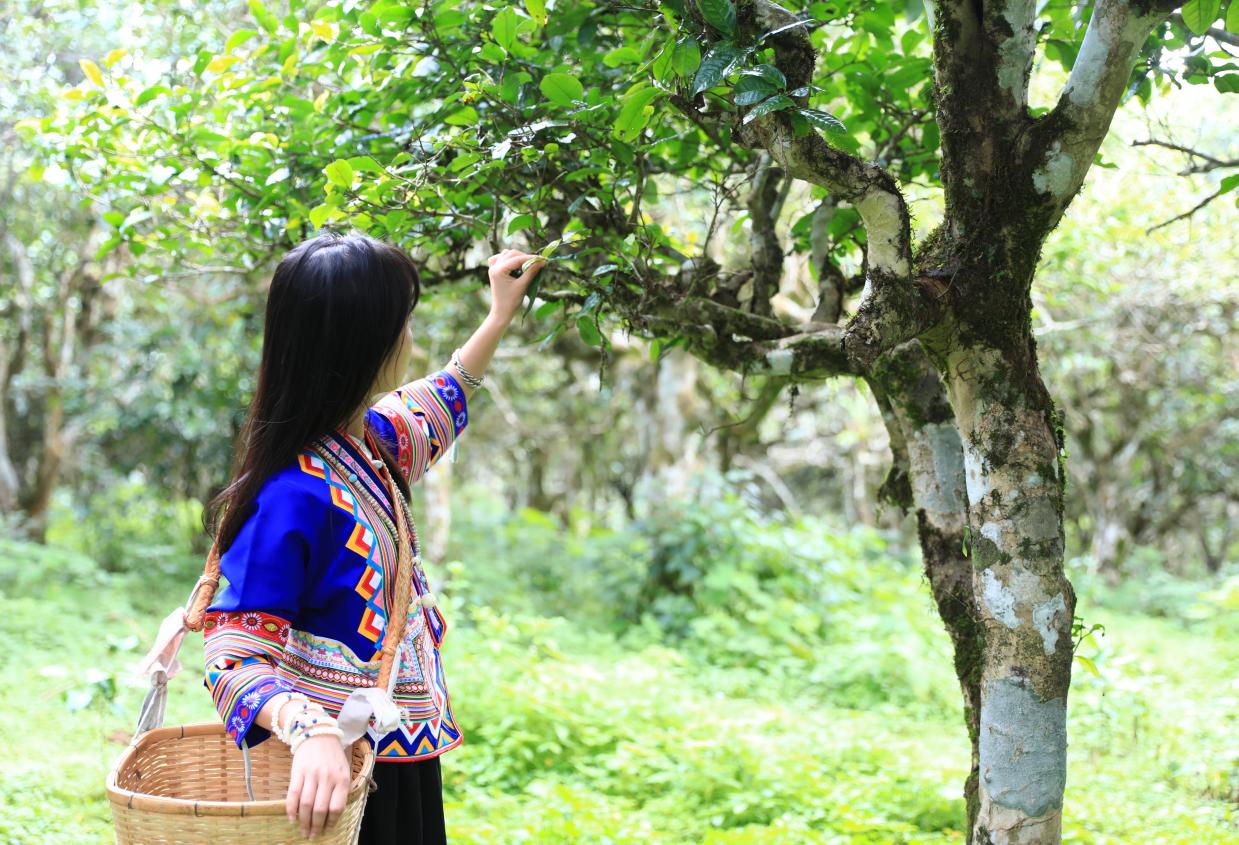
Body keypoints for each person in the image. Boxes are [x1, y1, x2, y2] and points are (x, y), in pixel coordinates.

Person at [199, 231, 546, 843]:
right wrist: (314, 734)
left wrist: (498, 315)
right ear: (364, 343)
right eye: (401, 321)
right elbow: (233, 655)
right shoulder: (291, 496)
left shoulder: (373, 442)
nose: (409, 336)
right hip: (331, 779)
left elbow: (443, 395)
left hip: (398, 753)